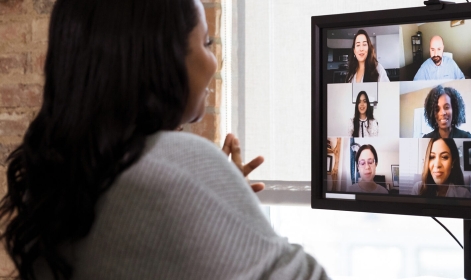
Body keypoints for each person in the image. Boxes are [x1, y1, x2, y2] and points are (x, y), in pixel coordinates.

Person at [0, 0, 328, 279]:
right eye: (207, 42)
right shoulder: (173, 163)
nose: (215, 61)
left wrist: (225, 210)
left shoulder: (59, 177)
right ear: (163, 56)